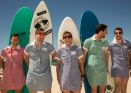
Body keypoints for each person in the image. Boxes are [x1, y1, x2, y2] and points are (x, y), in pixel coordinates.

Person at [24, 28, 56, 93]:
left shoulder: (49, 46)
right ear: (36, 35)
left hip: (45, 75)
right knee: (32, 91)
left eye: (43, 34)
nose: (42, 36)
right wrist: (30, 66)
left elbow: (55, 56)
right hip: (33, 76)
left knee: (47, 90)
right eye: (40, 33)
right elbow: (25, 57)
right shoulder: (29, 47)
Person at [83, 24, 108, 93]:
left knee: (102, 89)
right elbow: (84, 56)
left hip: (102, 69)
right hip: (92, 70)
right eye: (106, 31)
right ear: (101, 32)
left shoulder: (105, 42)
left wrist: (107, 67)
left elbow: (106, 55)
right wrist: (82, 70)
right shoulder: (88, 41)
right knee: (93, 90)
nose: (107, 33)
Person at [106, 27, 131, 93]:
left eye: (120, 33)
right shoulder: (111, 44)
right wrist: (106, 66)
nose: (118, 34)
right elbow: (106, 55)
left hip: (126, 68)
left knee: (124, 86)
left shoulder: (128, 43)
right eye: (116, 33)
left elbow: (129, 55)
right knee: (118, 85)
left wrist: (130, 67)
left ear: (122, 33)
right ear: (114, 34)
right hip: (115, 67)